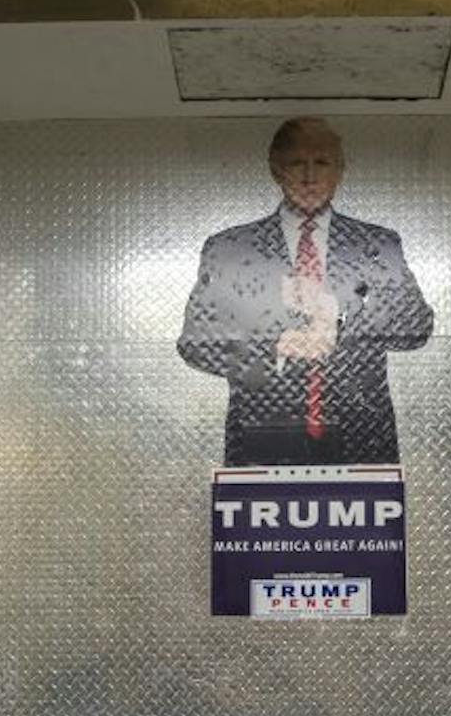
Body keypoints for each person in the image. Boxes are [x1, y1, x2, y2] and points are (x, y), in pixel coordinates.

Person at [177, 117, 434, 465]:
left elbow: (415, 326)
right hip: (262, 435)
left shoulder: (376, 244)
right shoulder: (231, 248)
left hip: (362, 437)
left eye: (322, 162)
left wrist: (337, 323)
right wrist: (273, 347)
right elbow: (196, 341)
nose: (310, 176)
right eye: (298, 162)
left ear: (340, 170)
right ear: (276, 169)